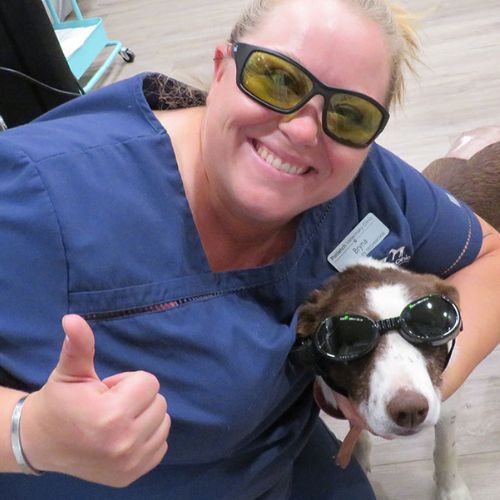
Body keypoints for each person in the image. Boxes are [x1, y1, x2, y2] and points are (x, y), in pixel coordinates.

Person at [0, 0, 499, 498]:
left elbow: (491, 260)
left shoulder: (368, 183)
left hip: (281, 465)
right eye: (276, 79)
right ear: (222, 67)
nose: (305, 129)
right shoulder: (36, 191)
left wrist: (414, 381)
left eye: (350, 113)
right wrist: (28, 434)